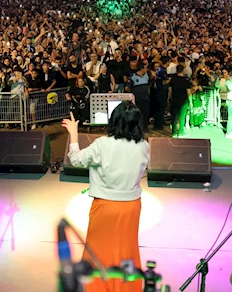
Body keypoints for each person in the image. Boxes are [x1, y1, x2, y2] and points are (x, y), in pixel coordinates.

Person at [62, 102, 149, 292]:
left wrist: (74, 134)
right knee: (126, 249)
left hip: (106, 206)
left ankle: (99, 287)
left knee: (99, 250)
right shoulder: (144, 146)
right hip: (131, 206)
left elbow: (76, 159)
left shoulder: (103, 144)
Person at [168, 64, 192, 137]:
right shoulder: (186, 81)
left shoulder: (173, 80)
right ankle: (181, 132)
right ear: (183, 70)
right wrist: (191, 102)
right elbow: (189, 93)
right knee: (182, 117)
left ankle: (174, 133)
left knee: (174, 116)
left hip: (175, 99)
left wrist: (170, 98)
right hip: (183, 101)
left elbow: (170, 91)